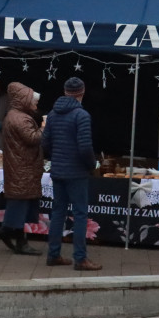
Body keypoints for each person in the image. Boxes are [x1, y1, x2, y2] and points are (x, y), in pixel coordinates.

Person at [41, 77, 101, 271]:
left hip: (58, 170)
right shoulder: (81, 115)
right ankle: (80, 259)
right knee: (80, 214)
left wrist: (57, 157)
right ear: (81, 93)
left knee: (58, 212)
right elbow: (85, 147)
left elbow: (45, 143)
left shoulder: (52, 114)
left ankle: (53, 255)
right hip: (76, 172)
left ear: (65, 92)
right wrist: (91, 165)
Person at [0, 82, 45, 256]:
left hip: (19, 167)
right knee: (20, 204)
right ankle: (8, 232)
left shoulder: (14, 116)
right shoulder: (20, 118)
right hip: (22, 168)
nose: (36, 104)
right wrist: (44, 127)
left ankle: (17, 239)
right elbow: (33, 138)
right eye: (33, 101)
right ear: (24, 100)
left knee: (20, 203)